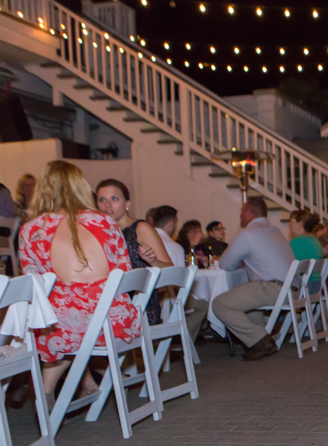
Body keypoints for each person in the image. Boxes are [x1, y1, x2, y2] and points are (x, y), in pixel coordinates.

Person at [19, 160, 141, 399]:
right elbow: (125, 273)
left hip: (63, 327)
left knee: (54, 320)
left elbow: (34, 285)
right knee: (75, 320)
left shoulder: (31, 230)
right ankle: (76, 386)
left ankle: (45, 393)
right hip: (113, 320)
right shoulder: (105, 222)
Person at [213, 196, 295, 360]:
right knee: (248, 292)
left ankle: (260, 338)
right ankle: (259, 337)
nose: (240, 216)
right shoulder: (275, 230)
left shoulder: (248, 233)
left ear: (249, 213)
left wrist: (239, 261)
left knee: (219, 304)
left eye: (241, 211)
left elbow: (225, 263)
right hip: (293, 289)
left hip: (275, 289)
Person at [94, 179, 173, 325]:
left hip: (140, 306)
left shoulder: (140, 228)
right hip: (107, 303)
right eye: (102, 200)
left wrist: (153, 261)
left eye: (114, 199)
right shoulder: (96, 233)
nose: (108, 205)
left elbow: (171, 271)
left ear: (127, 203)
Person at [149, 206, 210, 343]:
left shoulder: (140, 241)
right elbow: (180, 283)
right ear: (171, 224)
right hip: (166, 300)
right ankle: (184, 342)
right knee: (202, 305)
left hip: (142, 298)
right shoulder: (175, 247)